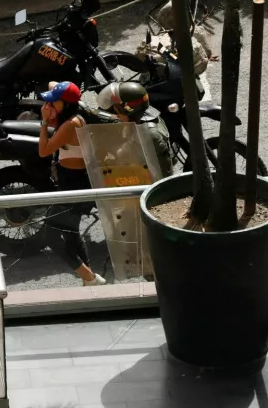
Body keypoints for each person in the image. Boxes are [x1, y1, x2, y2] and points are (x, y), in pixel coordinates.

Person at [38, 81, 107, 286]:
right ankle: (90, 280)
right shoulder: (75, 117)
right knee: (71, 233)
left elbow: (43, 151)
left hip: (73, 185)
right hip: (76, 181)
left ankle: (89, 277)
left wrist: (43, 122)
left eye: (54, 102)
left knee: (50, 236)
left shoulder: (71, 125)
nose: (50, 105)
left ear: (65, 104)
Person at [96, 81, 174, 178]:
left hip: (149, 183)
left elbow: (162, 172)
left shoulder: (149, 133)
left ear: (128, 110)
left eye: (117, 110)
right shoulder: (140, 120)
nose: (116, 114)